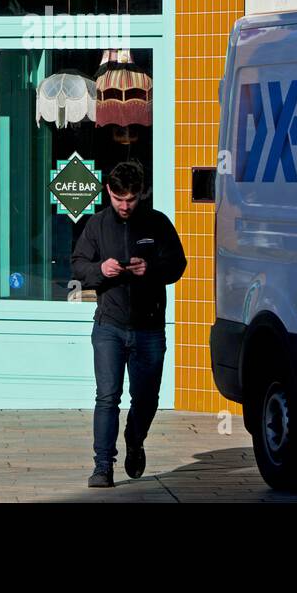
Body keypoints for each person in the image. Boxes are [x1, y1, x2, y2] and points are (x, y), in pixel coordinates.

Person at [70, 160, 187, 488]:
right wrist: (100, 271)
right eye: (119, 198)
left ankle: (135, 440)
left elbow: (178, 265)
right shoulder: (96, 225)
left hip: (149, 328)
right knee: (107, 396)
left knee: (147, 397)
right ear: (108, 191)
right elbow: (78, 264)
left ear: (141, 194)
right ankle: (102, 466)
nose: (124, 206)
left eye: (131, 199)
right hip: (109, 325)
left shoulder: (157, 223)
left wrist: (149, 269)